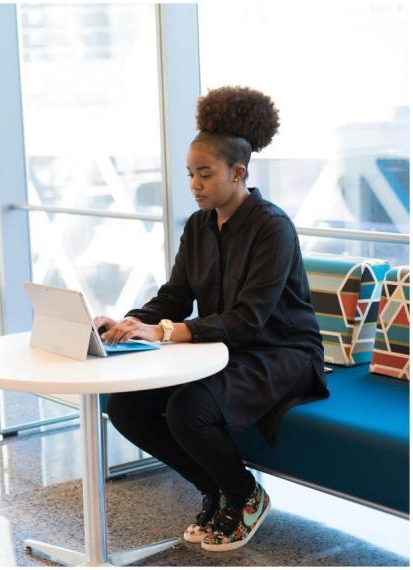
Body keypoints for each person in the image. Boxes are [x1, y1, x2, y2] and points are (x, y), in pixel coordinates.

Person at [94, 86, 329, 552]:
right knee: (126, 405)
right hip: (223, 348)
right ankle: (216, 491)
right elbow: (176, 296)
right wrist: (124, 323)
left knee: (189, 409)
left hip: (282, 352)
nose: (195, 185)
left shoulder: (272, 227)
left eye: (205, 174)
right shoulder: (199, 227)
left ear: (238, 173)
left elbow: (250, 318)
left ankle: (245, 496)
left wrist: (163, 332)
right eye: (190, 175)